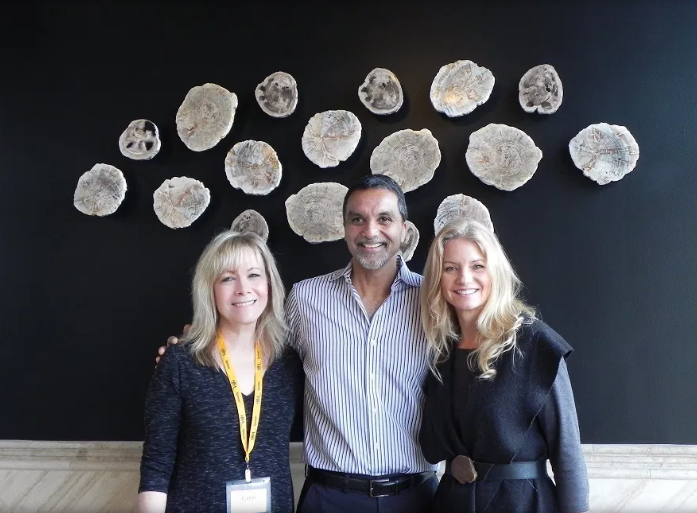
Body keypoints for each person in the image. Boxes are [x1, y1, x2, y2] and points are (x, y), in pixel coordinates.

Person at [159, 175, 437, 513]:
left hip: (415, 497)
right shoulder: (307, 299)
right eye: (357, 219)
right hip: (330, 497)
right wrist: (192, 346)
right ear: (345, 228)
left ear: (404, 229)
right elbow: (256, 346)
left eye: (384, 218)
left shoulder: (433, 301)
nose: (370, 231)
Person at [418, 219, 589, 513]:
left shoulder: (535, 344)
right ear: (438, 278)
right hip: (451, 503)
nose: (464, 278)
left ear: (495, 272)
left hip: (522, 503)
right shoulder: (440, 352)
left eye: (477, 266)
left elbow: (567, 452)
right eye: (450, 268)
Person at [139, 230, 303, 513]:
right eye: (228, 278)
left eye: (254, 275)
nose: (243, 288)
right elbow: (156, 464)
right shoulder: (180, 362)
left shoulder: (288, 363)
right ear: (209, 289)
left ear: (269, 284)